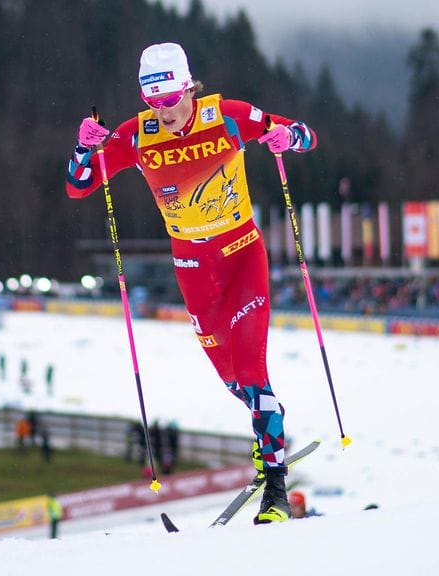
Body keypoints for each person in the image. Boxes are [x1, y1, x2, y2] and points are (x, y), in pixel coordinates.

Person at [66, 42, 317, 525]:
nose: (165, 113)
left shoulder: (227, 115)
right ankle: (269, 418)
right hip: (193, 269)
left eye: (172, 100)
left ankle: (276, 489)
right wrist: (83, 146)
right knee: (231, 379)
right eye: (152, 103)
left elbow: (305, 134)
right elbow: (79, 186)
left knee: (251, 370)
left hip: (243, 255)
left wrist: (290, 141)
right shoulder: (136, 136)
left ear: (189, 87)